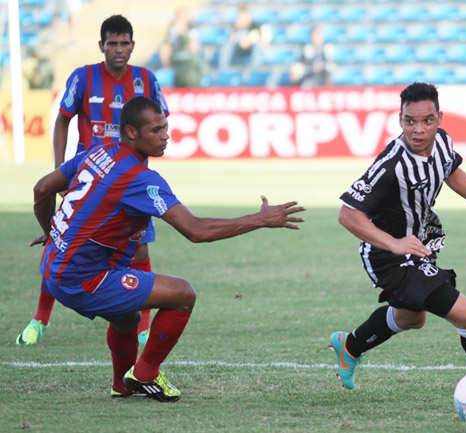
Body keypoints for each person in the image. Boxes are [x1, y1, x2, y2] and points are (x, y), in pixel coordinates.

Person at [30, 96, 305, 401]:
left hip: (54, 268)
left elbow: (42, 188)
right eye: (156, 130)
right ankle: (145, 374)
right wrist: (259, 219)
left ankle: (122, 385)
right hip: (84, 279)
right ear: (131, 132)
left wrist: (50, 230)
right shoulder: (141, 178)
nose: (166, 136)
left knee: (128, 318)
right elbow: (196, 231)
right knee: (183, 293)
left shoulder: (99, 150)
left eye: (166, 127)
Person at [329, 82, 466, 406]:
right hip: (387, 253)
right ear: (399, 119)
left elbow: (452, 171)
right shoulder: (391, 164)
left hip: (420, 245)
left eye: (426, 120)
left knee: (411, 319)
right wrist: (393, 243)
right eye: (409, 121)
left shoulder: (442, 143)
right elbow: (348, 215)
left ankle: (350, 346)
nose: (418, 130)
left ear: (439, 118)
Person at [16, 15, 168, 346]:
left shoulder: (146, 79)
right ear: (101, 46)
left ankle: (140, 325)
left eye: (124, 42)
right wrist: (60, 169)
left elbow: (158, 122)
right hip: (89, 177)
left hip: (129, 182)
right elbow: (62, 121)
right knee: (61, 242)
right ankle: (41, 318)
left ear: (132, 45)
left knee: (139, 247)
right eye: (111, 43)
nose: (118, 49)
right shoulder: (84, 77)